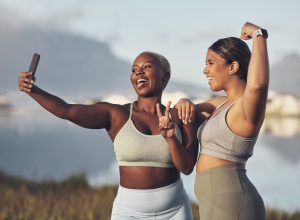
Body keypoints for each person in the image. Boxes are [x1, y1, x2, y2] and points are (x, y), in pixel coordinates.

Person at [18, 51, 198, 219]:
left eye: (147, 67)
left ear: (165, 76)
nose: (139, 73)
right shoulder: (116, 115)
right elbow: (67, 110)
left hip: (175, 211)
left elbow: (187, 167)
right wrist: (33, 90)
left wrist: (170, 138)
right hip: (129, 213)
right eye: (134, 70)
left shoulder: (181, 116)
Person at [174, 22, 268, 219]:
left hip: (233, 204)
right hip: (216, 202)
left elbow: (257, 85)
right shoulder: (220, 104)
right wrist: (184, 101)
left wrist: (258, 35)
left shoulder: (246, 108)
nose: (204, 71)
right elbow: (183, 113)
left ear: (233, 66)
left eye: (210, 63)